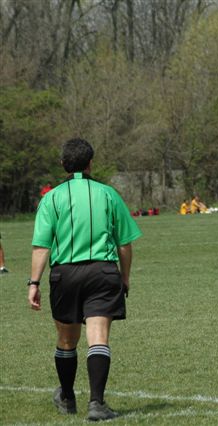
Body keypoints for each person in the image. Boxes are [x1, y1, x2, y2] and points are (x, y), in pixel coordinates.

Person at [28, 138, 142, 421]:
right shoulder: (108, 194)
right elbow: (125, 243)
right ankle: (97, 403)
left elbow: (42, 246)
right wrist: (124, 278)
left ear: (63, 164)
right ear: (90, 163)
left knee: (67, 340)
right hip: (103, 273)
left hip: (64, 275)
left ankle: (67, 398)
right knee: (98, 338)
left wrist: (33, 283)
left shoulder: (52, 198)